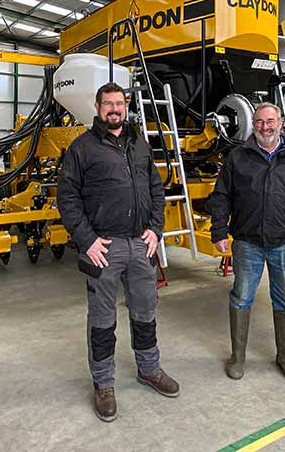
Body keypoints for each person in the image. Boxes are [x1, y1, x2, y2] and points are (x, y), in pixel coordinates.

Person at [57, 82, 179, 422]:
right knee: (101, 319)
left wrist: (156, 229)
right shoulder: (82, 148)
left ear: (126, 106)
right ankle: (104, 384)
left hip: (140, 246)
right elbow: (67, 199)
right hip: (104, 248)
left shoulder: (139, 144)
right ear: (97, 107)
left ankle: (149, 369)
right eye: (108, 104)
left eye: (119, 103)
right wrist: (87, 240)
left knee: (145, 310)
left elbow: (156, 188)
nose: (114, 109)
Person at [206, 103, 285, 383]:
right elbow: (221, 197)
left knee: (284, 298)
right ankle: (238, 357)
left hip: (284, 242)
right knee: (241, 296)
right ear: (254, 125)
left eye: (270, 121)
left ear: (281, 123)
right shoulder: (238, 158)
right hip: (247, 241)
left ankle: (284, 356)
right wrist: (219, 231)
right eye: (260, 122)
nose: (265, 127)